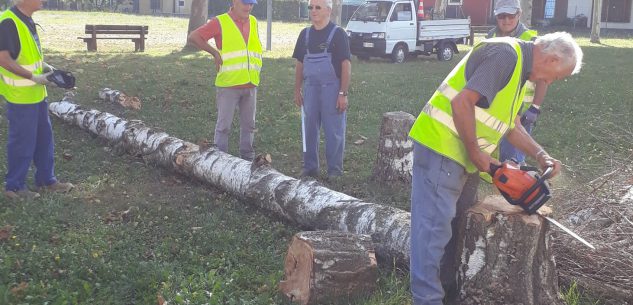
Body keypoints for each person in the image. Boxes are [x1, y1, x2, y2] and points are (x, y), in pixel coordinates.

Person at [407, 32, 583, 305]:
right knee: (432, 233)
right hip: (442, 148)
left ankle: (448, 294)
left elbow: (510, 125)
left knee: (455, 231)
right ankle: (426, 299)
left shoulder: (521, 73)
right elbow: (461, 102)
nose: (549, 82)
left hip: (463, 157)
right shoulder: (506, 56)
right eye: (556, 76)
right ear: (552, 58)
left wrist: (540, 154)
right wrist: (478, 153)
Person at [0, 0, 75, 200]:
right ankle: (14, 187)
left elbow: (28, 55)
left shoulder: (27, 20)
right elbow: (3, 59)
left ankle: (46, 180)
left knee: (44, 139)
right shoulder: (8, 22)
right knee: (22, 142)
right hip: (21, 96)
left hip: (37, 94)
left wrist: (46, 67)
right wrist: (33, 77)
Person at [187, 0, 262, 161]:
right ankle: (220, 161)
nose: (249, 7)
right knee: (223, 127)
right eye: (245, 3)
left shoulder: (254, 21)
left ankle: (248, 159)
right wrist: (214, 53)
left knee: (249, 125)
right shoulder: (220, 22)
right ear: (234, 2)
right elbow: (194, 36)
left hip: (250, 83)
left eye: (251, 4)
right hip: (229, 84)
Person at [292, 0, 351, 179]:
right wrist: (297, 89)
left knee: (334, 130)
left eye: (318, 7)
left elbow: (346, 65)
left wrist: (343, 93)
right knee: (309, 128)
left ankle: (335, 171)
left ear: (328, 10)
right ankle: (310, 168)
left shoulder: (338, 34)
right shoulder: (305, 35)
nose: (313, 11)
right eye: (311, 7)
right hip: (311, 89)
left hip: (332, 89)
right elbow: (300, 64)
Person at [487, 0, 548, 164]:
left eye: (511, 16)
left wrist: (535, 108)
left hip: (521, 112)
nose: (506, 20)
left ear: (519, 14)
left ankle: (516, 183)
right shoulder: (490, 38)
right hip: (494, 108)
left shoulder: (532, 41)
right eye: (502, 16)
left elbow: (543, 78)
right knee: (490, 157)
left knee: (512, 159)